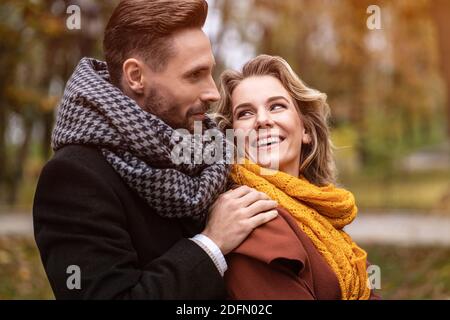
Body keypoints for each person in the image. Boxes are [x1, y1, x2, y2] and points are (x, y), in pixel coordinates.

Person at [33, 0, 278, 299]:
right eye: (194, 75)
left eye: (210, 73)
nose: (213, 92)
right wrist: (211, 244)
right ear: (136, 76)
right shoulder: (73, 177)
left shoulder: (210, 152)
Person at [214, 54, 381, 300]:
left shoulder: (319, 213)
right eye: (245, 113)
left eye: (276, 106)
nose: (262, 120)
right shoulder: (250, 216)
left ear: (306, 130)